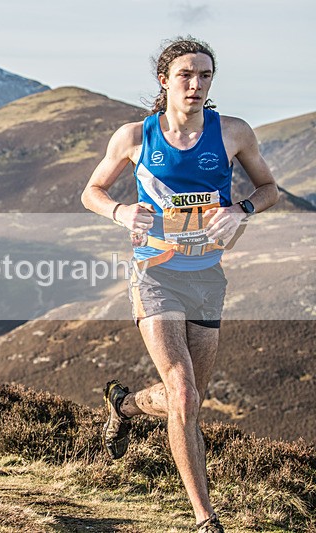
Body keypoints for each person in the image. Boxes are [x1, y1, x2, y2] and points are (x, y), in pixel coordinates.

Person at [81, 37, 279, 532]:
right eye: (186, 75)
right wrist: (121, 210)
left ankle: (123, 405)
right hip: (154, 274)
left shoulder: (232, 133)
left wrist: (242, 210)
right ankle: (204, 517)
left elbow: (268, 187)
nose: (195, 84)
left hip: (207, 277)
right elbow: (92, 191)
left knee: (186, 398)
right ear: (164, 81)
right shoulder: (134, 136)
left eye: (205, 76)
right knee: (185, 395)